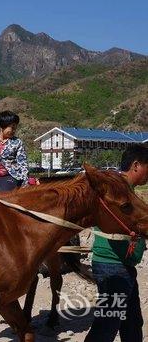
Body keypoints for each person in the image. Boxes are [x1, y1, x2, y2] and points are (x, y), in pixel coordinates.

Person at [85, 144, 148, 342]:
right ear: (136, 165)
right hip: (112, 265)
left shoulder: (125, 190)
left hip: (123, 266)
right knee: (107, 326)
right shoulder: (116, 190)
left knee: (132, 323)